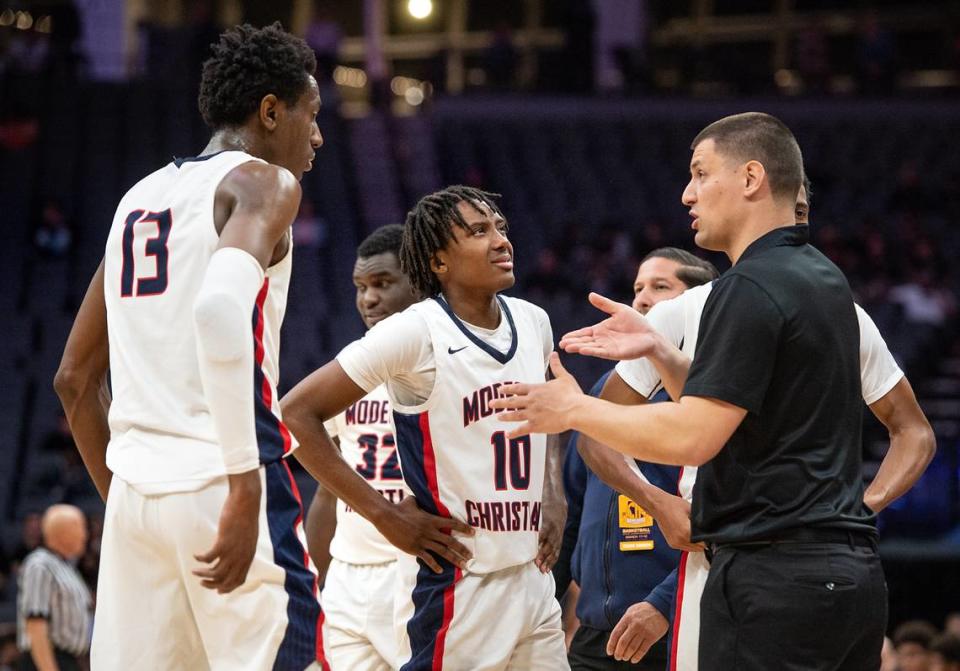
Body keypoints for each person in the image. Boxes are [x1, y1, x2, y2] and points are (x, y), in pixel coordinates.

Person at [491, 112, 891, 670]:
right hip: (846, 576)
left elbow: (696, 436)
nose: (687, 193)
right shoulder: (825, 279)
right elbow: (752, 423)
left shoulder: (748, 286)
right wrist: (662, 352)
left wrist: (576, 408)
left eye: (701, 174)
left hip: (774, 583)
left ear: (751, 178)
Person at [569, 179, 935, 670]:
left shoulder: (837, 311)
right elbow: (598, 442)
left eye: (701, 174)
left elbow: (914, 433)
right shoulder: (830, 305)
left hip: (753, 560)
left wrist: (862, 504)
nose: (688, 194)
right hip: (807, 560)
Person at [54, 23, 328, 670]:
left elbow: (73, 378)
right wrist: (240, 482)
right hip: (221, 483)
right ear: (269, 110)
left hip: (134, 503)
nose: (316, 136)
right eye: (310, 114)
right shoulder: (267, 183)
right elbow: (219, 309)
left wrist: (131, 500)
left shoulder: (137, 199)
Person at [282, 185, 569, 670]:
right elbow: (295, 413)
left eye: (501, 227)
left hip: (530, 575)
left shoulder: (534, 320)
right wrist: (384, 514)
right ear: (438, 262)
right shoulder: (415, 330)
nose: (501, 240)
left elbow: (544, 410)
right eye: (479, 231)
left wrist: (552, 490)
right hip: (461, 582)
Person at [556, 248, 718, 671]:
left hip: (678, 620)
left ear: (696, 307)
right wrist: (545, 598)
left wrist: (664, 604)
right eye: (637, 289)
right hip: (596, 634)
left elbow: (727, 518)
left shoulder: (713, 400)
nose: (642, 299)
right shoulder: (602, 393)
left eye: (660, 287)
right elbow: (572, 512)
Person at [303, 224, 419, 670]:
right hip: (352, 577)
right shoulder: (348, 373)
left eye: (383, 284)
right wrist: (322, 580)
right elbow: (326, 491)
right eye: (361, 287)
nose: (368, 299)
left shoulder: (453, 360)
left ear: (419, 281)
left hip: (420, 572)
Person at [16, 505, 91, 671]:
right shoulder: (40, 565)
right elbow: (35, 623)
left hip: (71, 660)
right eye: (81, 527)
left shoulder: (66, 567)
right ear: (63, 532)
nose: (85, 535)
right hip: (47, 660)